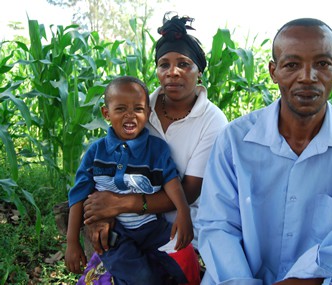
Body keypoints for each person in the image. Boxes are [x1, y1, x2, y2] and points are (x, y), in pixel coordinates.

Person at [196, 18, 332, 285]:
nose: (308, 77)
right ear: (273, 71)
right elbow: (218, 226)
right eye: (292, 65)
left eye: (322, 64)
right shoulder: (234, 141)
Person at [80, 12, 228, 285]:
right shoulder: (138, 108)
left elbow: (190, 190)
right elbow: (106, 161)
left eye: (184, 64)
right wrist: (99, 217)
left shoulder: (212, 121)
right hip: (127, 227)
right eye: (164, 64)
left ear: (199, 71)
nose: (173, 72)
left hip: (182, 230)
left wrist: (119, 205)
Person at [65, 76, 193, 284]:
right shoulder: (96, 152)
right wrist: (72, 242)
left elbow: (171, 181)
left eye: (138, 109)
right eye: (121, 109)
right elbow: (78, 195)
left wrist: (183, 212)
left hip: (151, 227)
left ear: (148, 113)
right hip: (114, 234)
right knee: (142, 278)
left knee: (184, 263)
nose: (130, 115)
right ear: (106, 114)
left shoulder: (156, 149)